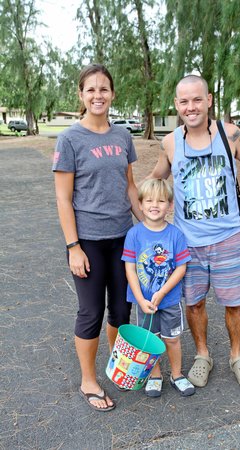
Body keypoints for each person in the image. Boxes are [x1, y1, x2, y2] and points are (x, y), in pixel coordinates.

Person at [148, 75, 240, 388]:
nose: (191, 107)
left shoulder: (230, 134)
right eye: (184, 101)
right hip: (188, 244)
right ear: (176, 105)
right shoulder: (170, 142)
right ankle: (203, 355)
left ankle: (237, 356)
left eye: (197, 99)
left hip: (228, 239)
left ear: (209, 100)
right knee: (194, 303)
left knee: (235, 303)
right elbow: (155, 181)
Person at [52, 63, 143, 411]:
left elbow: (130, 187)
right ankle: (88, 380)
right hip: (88, 241)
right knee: (91, 311)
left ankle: (116, 364)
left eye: (103, 89)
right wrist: (73, 247)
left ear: (112, 94)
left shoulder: (122, 136)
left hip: (123, 238)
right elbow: (63, 198)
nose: (97, 95)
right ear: (81, 94)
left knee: (121, 309)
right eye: (90, 89)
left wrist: (150, 228)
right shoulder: (70, 139)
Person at [122, 178, 195, 397]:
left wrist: (162, 292)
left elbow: (181, 268)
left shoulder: (175, 235)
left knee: (172, 339)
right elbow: (130, 269)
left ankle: (176, 374)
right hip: (144, 302)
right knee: (150, 340)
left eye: (161, 201)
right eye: (149, 201)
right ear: (141, 205)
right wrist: (140, 299)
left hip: (170, 300)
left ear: (170, 206)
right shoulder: (134, 234)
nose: (155, 205)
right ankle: (154, 375)